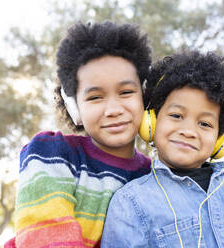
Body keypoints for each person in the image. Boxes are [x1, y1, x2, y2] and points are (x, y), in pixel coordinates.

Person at [101, 50, 224, 247]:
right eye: (176, 116)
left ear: (220, 139)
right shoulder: (130, 202)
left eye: (204, 124)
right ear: (151, 122)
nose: (188, 131)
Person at [8, 21, 152, 248]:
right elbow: (46, 236)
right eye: (95, 97)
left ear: (145, 96)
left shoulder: (153, 175)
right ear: (75, 107)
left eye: (126, 92)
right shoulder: (51, 154)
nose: (113, 109)